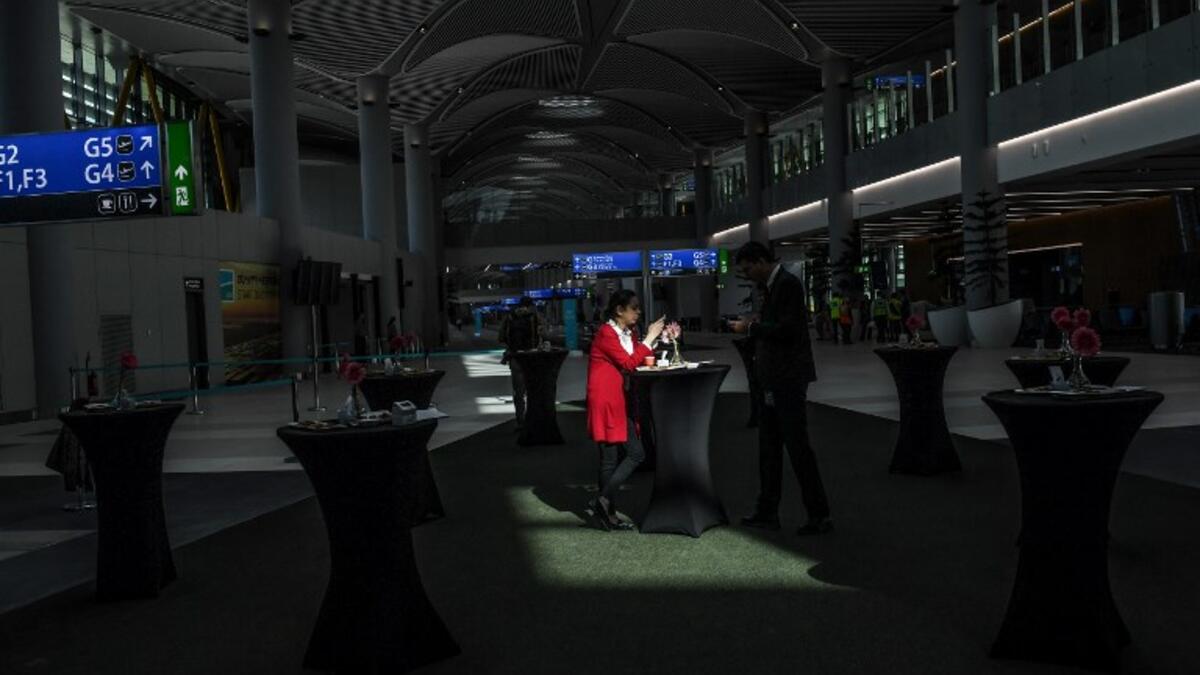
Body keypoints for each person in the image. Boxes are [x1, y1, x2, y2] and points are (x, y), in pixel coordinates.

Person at [729, 242, 832, 536]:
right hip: (774, 379)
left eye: (748, 268)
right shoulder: (774, 287)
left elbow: (788, 330)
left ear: (761, 261)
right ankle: (768, 510)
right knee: (769, 448)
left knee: (797, 448)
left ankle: (818, 515)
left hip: (786, 379)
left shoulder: (787, 285)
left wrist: (750, 328)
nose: (747, 275)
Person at [585, 290, 665, 531]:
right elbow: (629, 363)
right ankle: (603, 502)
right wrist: (650, 338)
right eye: (634, 308)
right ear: (619, 310)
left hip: (618, 397)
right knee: (633, 454)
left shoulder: (627, 332)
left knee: (611, 460)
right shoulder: (606, 333)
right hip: (607, 399)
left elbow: (634, 360)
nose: (638, 312)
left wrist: (650, 342)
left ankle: (606, 511)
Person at [499, 297, 542, 429]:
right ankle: (534, 419)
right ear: (530, 306)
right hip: (532, 356)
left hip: (516, 357)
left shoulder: (510, 317)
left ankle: (520, 421)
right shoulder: (535, 316)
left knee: (519, 392)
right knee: (533, 390)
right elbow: (543, 334)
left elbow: (501, 337)